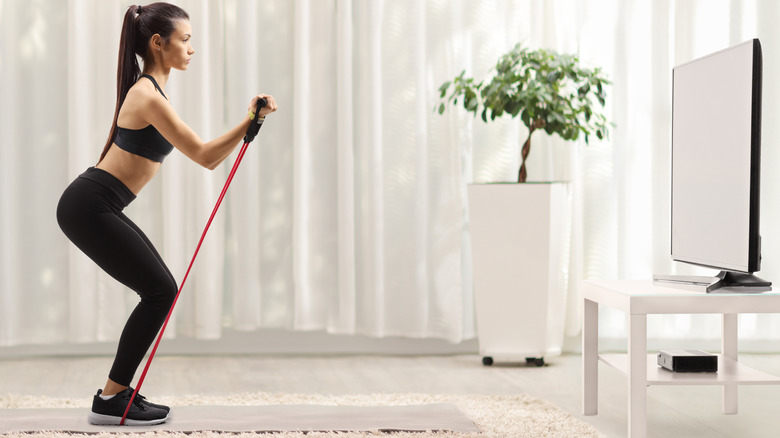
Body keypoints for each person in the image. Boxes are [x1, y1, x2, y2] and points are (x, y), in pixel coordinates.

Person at [56, 2, 277, 426]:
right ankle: (110, 399)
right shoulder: (146, 96)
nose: (192, 49)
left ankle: (114, 395)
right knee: (160, 291)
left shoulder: (153, 92)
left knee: (161, 290)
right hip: (89, 205)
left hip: (97, 203)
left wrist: (251, 122)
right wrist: (250, 119)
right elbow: (206, 156)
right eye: (186, 40)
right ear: (159, 43)